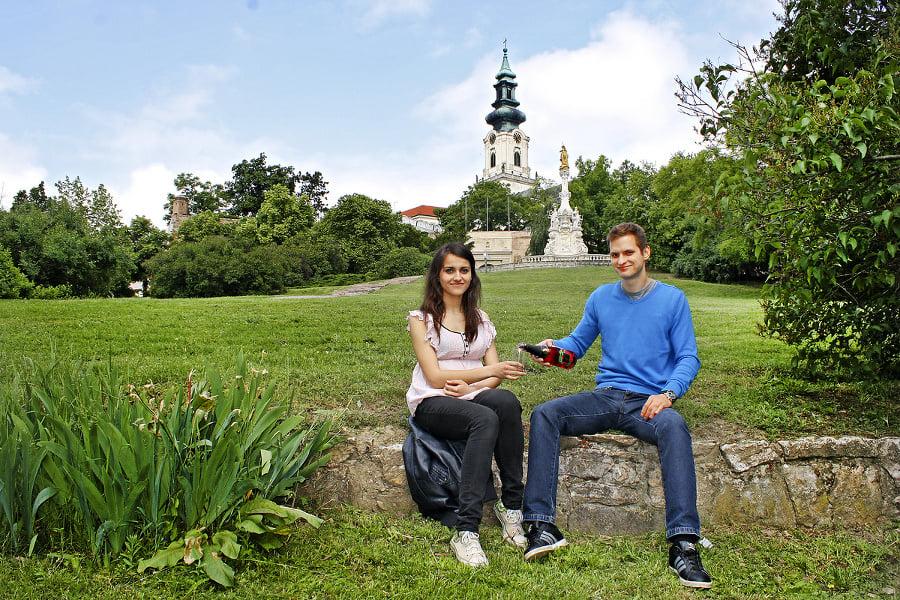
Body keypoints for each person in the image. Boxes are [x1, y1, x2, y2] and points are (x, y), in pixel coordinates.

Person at [521, 222, 713, 589]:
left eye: (628, 252)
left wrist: (668, 394)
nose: (621, 260)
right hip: (607, 396)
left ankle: (684, 543)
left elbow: (688, 357)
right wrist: (552, 350)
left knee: (674, 426)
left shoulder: (672, 299)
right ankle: (542, 526)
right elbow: (575, 347)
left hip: (648, 403)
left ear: (645, 253)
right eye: (615, 254)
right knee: (545, 413)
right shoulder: (601, 298)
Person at [406, 242, 527, 567]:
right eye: (450, 270)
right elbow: (433, 377)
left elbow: (495, 379)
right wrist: (488, 373)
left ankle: (511, 506)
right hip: (432, 401)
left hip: (470, 394)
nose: (457, 276)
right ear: (437, 275)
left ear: (472, 275)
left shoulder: (481, 319)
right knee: (484, 419)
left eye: (464, 270)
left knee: (506, 403)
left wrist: (476, 381)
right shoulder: (422, 319)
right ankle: (466, 530)